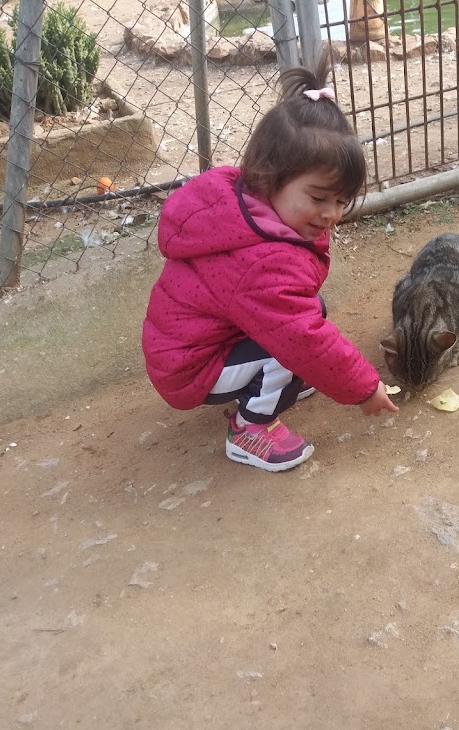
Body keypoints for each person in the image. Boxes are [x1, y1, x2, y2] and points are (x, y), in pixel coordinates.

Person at [142, 51, 398, 473]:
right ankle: (249, 431)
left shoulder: (243, 206)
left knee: (305, 315)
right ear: (268, 177)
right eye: (318, 198)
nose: (332, 213)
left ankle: (267, 384)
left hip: (189, 346)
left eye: (341, 201)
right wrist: (363, 388)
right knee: (290, 346)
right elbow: (304, 339)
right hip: (190, 367)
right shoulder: (263, 262)